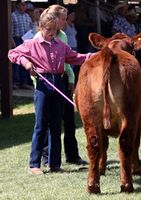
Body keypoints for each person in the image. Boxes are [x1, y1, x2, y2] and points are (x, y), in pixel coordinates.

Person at [8, 8, 92, 175]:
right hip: (43, 85)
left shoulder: (61, 45)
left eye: (55, 30)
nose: (52, 33)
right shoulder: (32, 44)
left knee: (55, 126)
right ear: (41, 27)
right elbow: (13, 53)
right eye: (48, 30)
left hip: (58, 83)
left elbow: (75, 57)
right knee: (40, 125)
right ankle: (34, 164)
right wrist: (26, 64)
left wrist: (92, 57)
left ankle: (54, 164)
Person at [37, 5, 87, 166]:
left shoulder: (63, 36)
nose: (65, 22)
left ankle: (72, 155)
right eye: (63, 19)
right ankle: (47, 158)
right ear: (55, 18)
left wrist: (71, 78)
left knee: (69, 119)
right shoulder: (41, 37)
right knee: (47, 121)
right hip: (47, 82)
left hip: (63, 78)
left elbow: (69, 59)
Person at [11, 0, 33, 89]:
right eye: (22, 5)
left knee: (25, 61)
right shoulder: (12, 15)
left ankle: (24, 82)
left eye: (25, 5)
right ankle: (15, 82)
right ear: (17, 5)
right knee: (16, 62)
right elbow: (10, 30)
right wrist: (12, 41)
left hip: (26, 40)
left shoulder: (27, 16)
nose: (24, 6)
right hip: (16, 39)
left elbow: (31, 28)